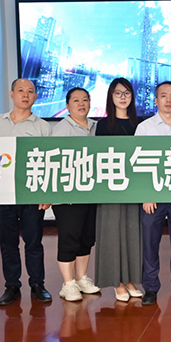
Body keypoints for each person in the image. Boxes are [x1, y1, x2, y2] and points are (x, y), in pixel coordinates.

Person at [0, 78, 53, 305]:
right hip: (2, 194)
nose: (25, 95)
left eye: (30, 91)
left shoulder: (42, 126)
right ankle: (12, 286)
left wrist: (48, 194)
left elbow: (50, 162)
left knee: (34, 242)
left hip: (31, 193)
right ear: (12, 94)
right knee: (7, 242)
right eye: (20, 90)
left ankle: (37, 284)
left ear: (35, 97)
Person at [135, 82, 171, 305]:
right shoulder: (145, 127)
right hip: (153, 197)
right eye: (163, 96)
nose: (168, 100)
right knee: (150, 244)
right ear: (156, 100)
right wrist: (145, 195)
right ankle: (150, 287)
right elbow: (137, 163)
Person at [94, 78, 143, 302]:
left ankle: (131, 279)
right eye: (118, 93)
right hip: (111, 187)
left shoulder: (141, 124)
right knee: (112, 232)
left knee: (133, 232)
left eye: (127, 93)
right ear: (111, 97)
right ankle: (117, 282)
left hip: (135, 186)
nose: (123, 97)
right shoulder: (103, 125)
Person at [51, 88, 101, 301]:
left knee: (86, 237)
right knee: (69, 237)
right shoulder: (62, 128)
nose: (81, 104)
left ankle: (81, 278)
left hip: (91, 192)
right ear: (68, 105)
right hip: (68, 195)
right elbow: (55, 162)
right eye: (76, 100)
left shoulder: (96, 127)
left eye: (85, 100)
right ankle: (68, 283)